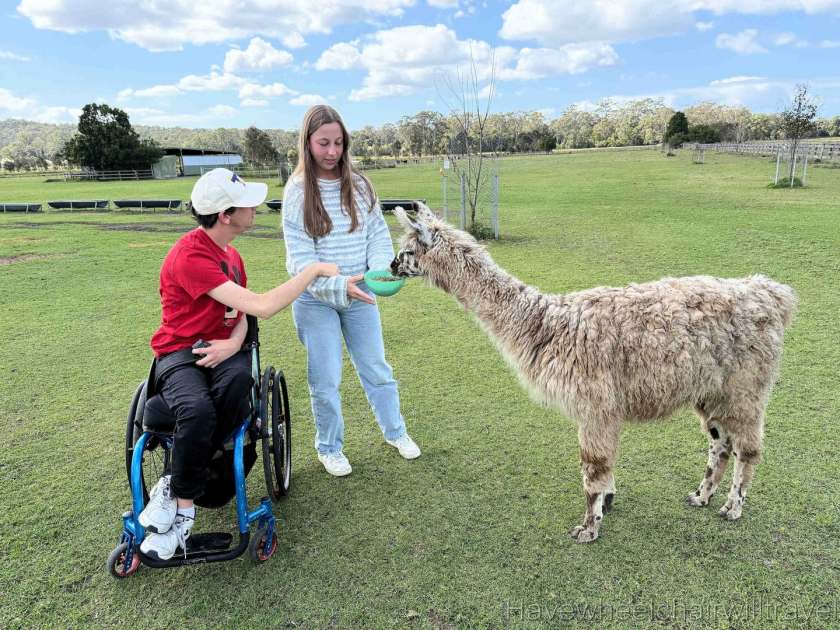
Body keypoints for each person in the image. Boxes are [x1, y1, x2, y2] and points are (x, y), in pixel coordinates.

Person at [139, 168, 338, 560]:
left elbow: (244, 312)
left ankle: (177, 483)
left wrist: (232, 345)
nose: (256, 207)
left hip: (226, 348)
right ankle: (181, 510)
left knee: (236, 390)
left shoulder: (232, 255)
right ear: (227, 215)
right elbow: (264, 305)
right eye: (248, 203)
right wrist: (312, 270)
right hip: (182, 353)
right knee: (195, 411)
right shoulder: (190, 255)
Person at [282, 105, 420, 477]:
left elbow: (376, 233)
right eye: (323, 143)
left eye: (338, 143)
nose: (331, 152)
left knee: (376, 367)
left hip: (360, 295)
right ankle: (330, 448)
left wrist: (377, 271)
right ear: (307, 143)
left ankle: (396, 432)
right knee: (325, 379)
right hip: (316, 300)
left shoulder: (360, 184)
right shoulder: (296, 192)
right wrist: (339, 284)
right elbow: (300, 262)